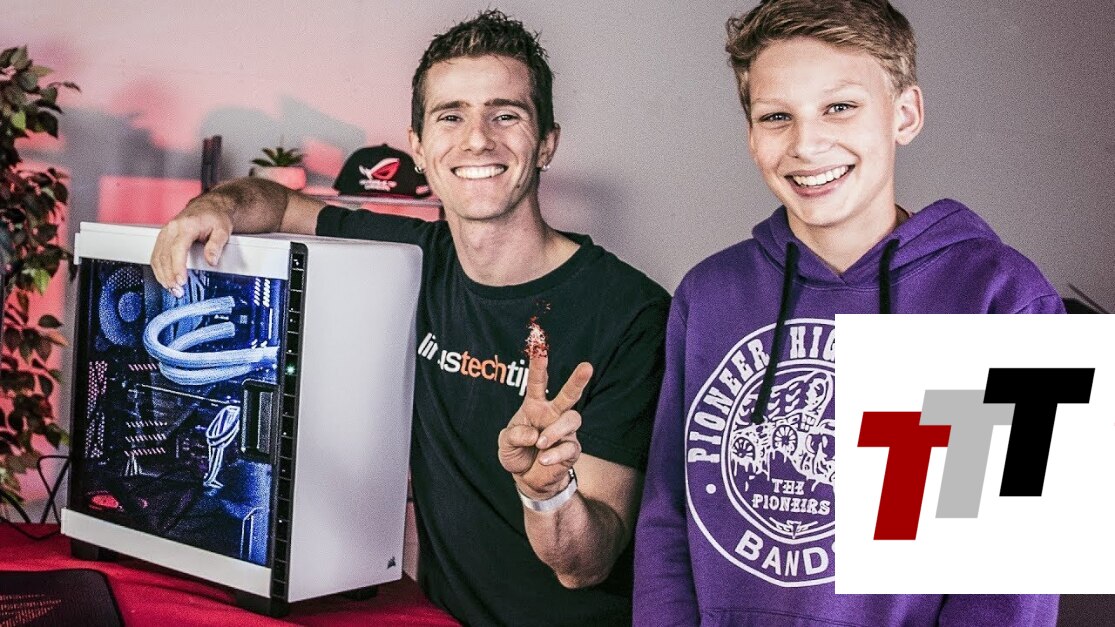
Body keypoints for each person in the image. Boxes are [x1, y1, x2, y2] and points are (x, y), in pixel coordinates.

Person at [151, 9, 668, 626]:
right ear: (419, 148)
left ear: (547, 142)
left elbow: (586, 564)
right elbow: (280, 203)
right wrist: (211, 207)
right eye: (451, 116)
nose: (477, 140)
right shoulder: (411, 258)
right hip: (438, 616)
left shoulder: (631, 313)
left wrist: (547, 492)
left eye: (505, 114)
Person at [632, 0, 1062, 624]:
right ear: (751, 135)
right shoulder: (708, 294)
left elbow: (1014, 577)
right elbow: (667, 521)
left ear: (905, 114)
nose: (807, 144)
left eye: (839, 107)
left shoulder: (1008, 299)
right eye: (776, 116)